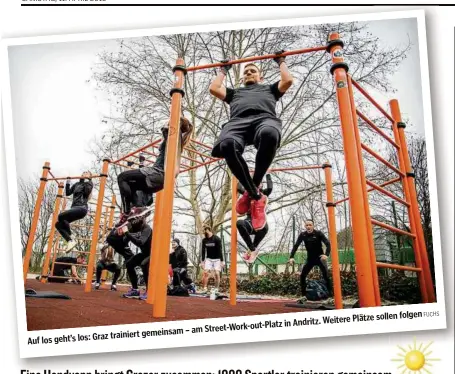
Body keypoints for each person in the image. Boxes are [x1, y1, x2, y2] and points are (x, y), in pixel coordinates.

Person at [209, 52, 293, 231]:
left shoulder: (269, 89)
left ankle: (252, 189)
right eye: (246, 71)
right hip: (238, 124)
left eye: (252, 70)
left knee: (270, 133)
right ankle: (256, 195)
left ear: (260, 76)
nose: (248, 72)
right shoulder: (235, 93)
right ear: (241, 78)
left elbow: (287, 81)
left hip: (264, 120)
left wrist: (281, 61)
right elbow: (214, 88)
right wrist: (223, 70)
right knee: (227, 144)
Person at [116, 117, 193, 227]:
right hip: (158, 180)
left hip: (157, 173)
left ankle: (127, 212)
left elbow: (166, 130)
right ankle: (137, 208)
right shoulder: (177, 140)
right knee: (130, 185)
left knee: (122, 177)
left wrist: (171, 122)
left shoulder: (174, 135)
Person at [288, 220, 332, 299]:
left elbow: (328, 243)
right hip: (310, 259)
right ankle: (304, 296)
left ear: (313, 226)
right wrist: (291, 257)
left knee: (326, 276)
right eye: (307, 225)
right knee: (302, 276)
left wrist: (326, 255)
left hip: (319, 258)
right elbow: (296, 245)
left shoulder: (319, 233)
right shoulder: (303, 235)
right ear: (305, 226)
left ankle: (331, 296)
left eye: (310, 225)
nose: (308, 227)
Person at [237, 174, 272, 264]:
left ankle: (252, 250)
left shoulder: (263, 193)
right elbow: (239, 187)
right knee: (239, 223)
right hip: (250, 222)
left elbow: (270, 188)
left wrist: (268, 174)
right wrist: (241, 173)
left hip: (262, 226)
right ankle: (252, 250)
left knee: (254, 245)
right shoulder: (248, 192)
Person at [55, 171, 93, 253]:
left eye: (87, 173)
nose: (84, 173)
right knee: (58, 224)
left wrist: (88, 180)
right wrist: (68, 182)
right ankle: (70, 240)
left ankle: (71, 235)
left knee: (60, 216)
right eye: (83, 172)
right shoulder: (77, 184)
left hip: (82, 208)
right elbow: (68, 193)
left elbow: (87, 192)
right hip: (74, 208)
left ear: (89, 176)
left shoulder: (89, 184)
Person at [120, 219, 153, 300]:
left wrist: (127, 233)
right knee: (129, 264)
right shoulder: (139, 231)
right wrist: (124, 234)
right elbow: (126, 239)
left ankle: (150, 291)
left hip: (153, 254)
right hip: (145, 253)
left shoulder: (147, 229)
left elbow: (140, 242)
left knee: (144, 264)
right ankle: (135, 290)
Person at [200, 226, 224, 294]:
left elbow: (220, 250)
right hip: (209, 259)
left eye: (204, 231)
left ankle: (216, 289)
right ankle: (204, 288)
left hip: (217, 259)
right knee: (205, 273)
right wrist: (202, 261)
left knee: (217, 273)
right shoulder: (204, 240)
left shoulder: (217, 239)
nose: (203, 233)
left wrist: (222, 261)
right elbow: (203, 251)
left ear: (208, 230)